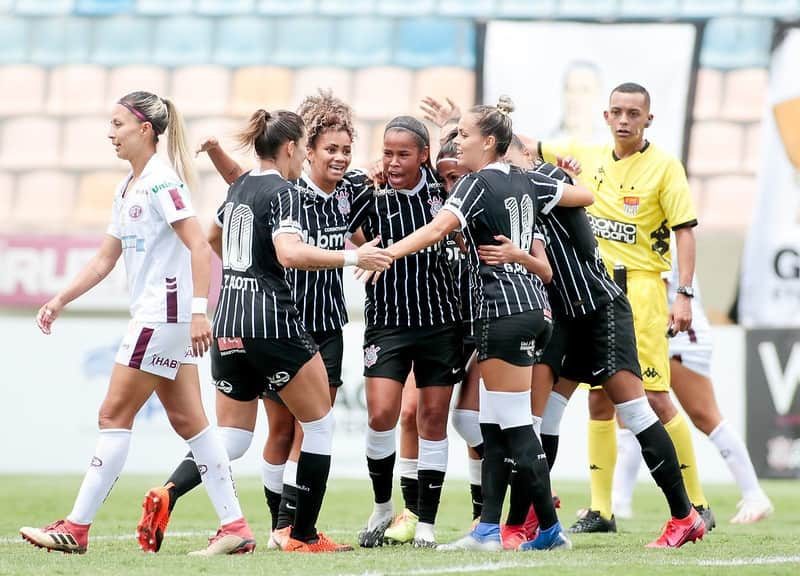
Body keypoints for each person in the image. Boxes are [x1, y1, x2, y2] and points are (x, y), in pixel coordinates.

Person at [136, 93, 375, 552]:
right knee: (319, 424)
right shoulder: (285, 192)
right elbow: (289, 253)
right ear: (290, 148)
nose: (305, 155)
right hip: (272, 322)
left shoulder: (241, 188)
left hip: (229, 319)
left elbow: (208, 241)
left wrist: (241, 273)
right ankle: (300, 535)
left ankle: (168, 490)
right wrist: (353, 257)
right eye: (305, 147)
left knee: (233, 437)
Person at [19, 91, 255, 556]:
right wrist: (61, 298)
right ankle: (235, 527)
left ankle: (76, 527)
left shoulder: (161, 182)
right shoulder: (129, 185)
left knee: (112, 415)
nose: (110, 133)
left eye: (117, 124)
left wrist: (198, 312)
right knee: (194, 424)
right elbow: (106, 258)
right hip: (162, 319)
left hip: (159, 318)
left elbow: (199, 246)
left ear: (145, 129)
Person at [386, 96, 592, 552]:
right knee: (494, 427)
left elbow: (437, 228)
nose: (458, 142)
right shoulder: (527, 181)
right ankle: (486, 530)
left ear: (490, 141)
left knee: (515, 426)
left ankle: (551, 531)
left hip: (502, 311)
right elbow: (581, 199)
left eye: (464, 134)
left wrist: (390, 253)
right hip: (533, 309)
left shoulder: (475, 184)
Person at [494, 136, 705, 549]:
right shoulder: (512, 189)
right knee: (541, 417)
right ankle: (525, 520)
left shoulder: (542, 179)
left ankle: (685, 515)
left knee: (636, 408)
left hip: (598, 309)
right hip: (566, 315)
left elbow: (577, 228)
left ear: (513, 150)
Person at [535, 82, 713, 534]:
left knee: (652, 397)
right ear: (605, 115)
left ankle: (697, 502)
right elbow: (522, 146)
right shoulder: (586, 154)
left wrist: (684, 293)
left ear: (648, 119)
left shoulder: (665, 167)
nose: (624, 120)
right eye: (617, 112)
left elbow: (685, 231)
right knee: (599, 403)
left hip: (640, 292)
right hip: (592, 295)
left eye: (634, 113)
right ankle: (601, 510)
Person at [351, 116, 465, 549]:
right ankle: (382, 507)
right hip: (387, 322)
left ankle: (428, 523)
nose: (394, 162)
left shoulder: (445, 194)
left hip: (441, 323)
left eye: (403, 154)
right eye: (387, 153)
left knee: (433, 420)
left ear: (423, 156)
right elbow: (339, 215)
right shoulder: (370, 194)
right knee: (382, 414)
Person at [612, 254, 774, 524]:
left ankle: (754, 494)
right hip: (657, 330)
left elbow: (658, 289)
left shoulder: (664, 234)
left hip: (679, 335)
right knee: (630, 411)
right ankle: (619, 501)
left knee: (704, 415)